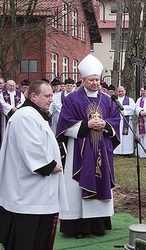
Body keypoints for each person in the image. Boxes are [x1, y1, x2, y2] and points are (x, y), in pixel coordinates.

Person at [56, 54, 120, 238]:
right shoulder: (72, 99)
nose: (95, 83)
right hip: (80, 151)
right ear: (82, 80)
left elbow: (115, 120)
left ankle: (98, 225)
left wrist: (106, 125)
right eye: (91, 80)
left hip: (102, 149)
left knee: (100, 181)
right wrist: (86, 125)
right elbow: (64, 123)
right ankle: (78, 227)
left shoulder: (107, 100)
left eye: (97, 79)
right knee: (76, 188)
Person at [0, 80, 68, 249]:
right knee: (26, 240)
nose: (51, 99)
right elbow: (30, 148)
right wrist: (52, 166)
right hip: (27, 195)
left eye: (52, 95)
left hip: (36, 194)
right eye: (47, 96)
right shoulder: (25, 116)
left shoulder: (34, 115)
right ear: (33, 96)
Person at [113, 86, 136, 156]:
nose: (120, 93)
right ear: (117, 92)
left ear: (125, 91)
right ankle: (117, 151)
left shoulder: (130, 100)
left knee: (126, 137)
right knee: (118, 135)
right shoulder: (114, 100)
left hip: (126, 120)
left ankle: (127, 152)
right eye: (119, 91)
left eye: (122, 91)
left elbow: (132, 109)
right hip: (117, 121)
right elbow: (112, 109)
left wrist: (121, 109)